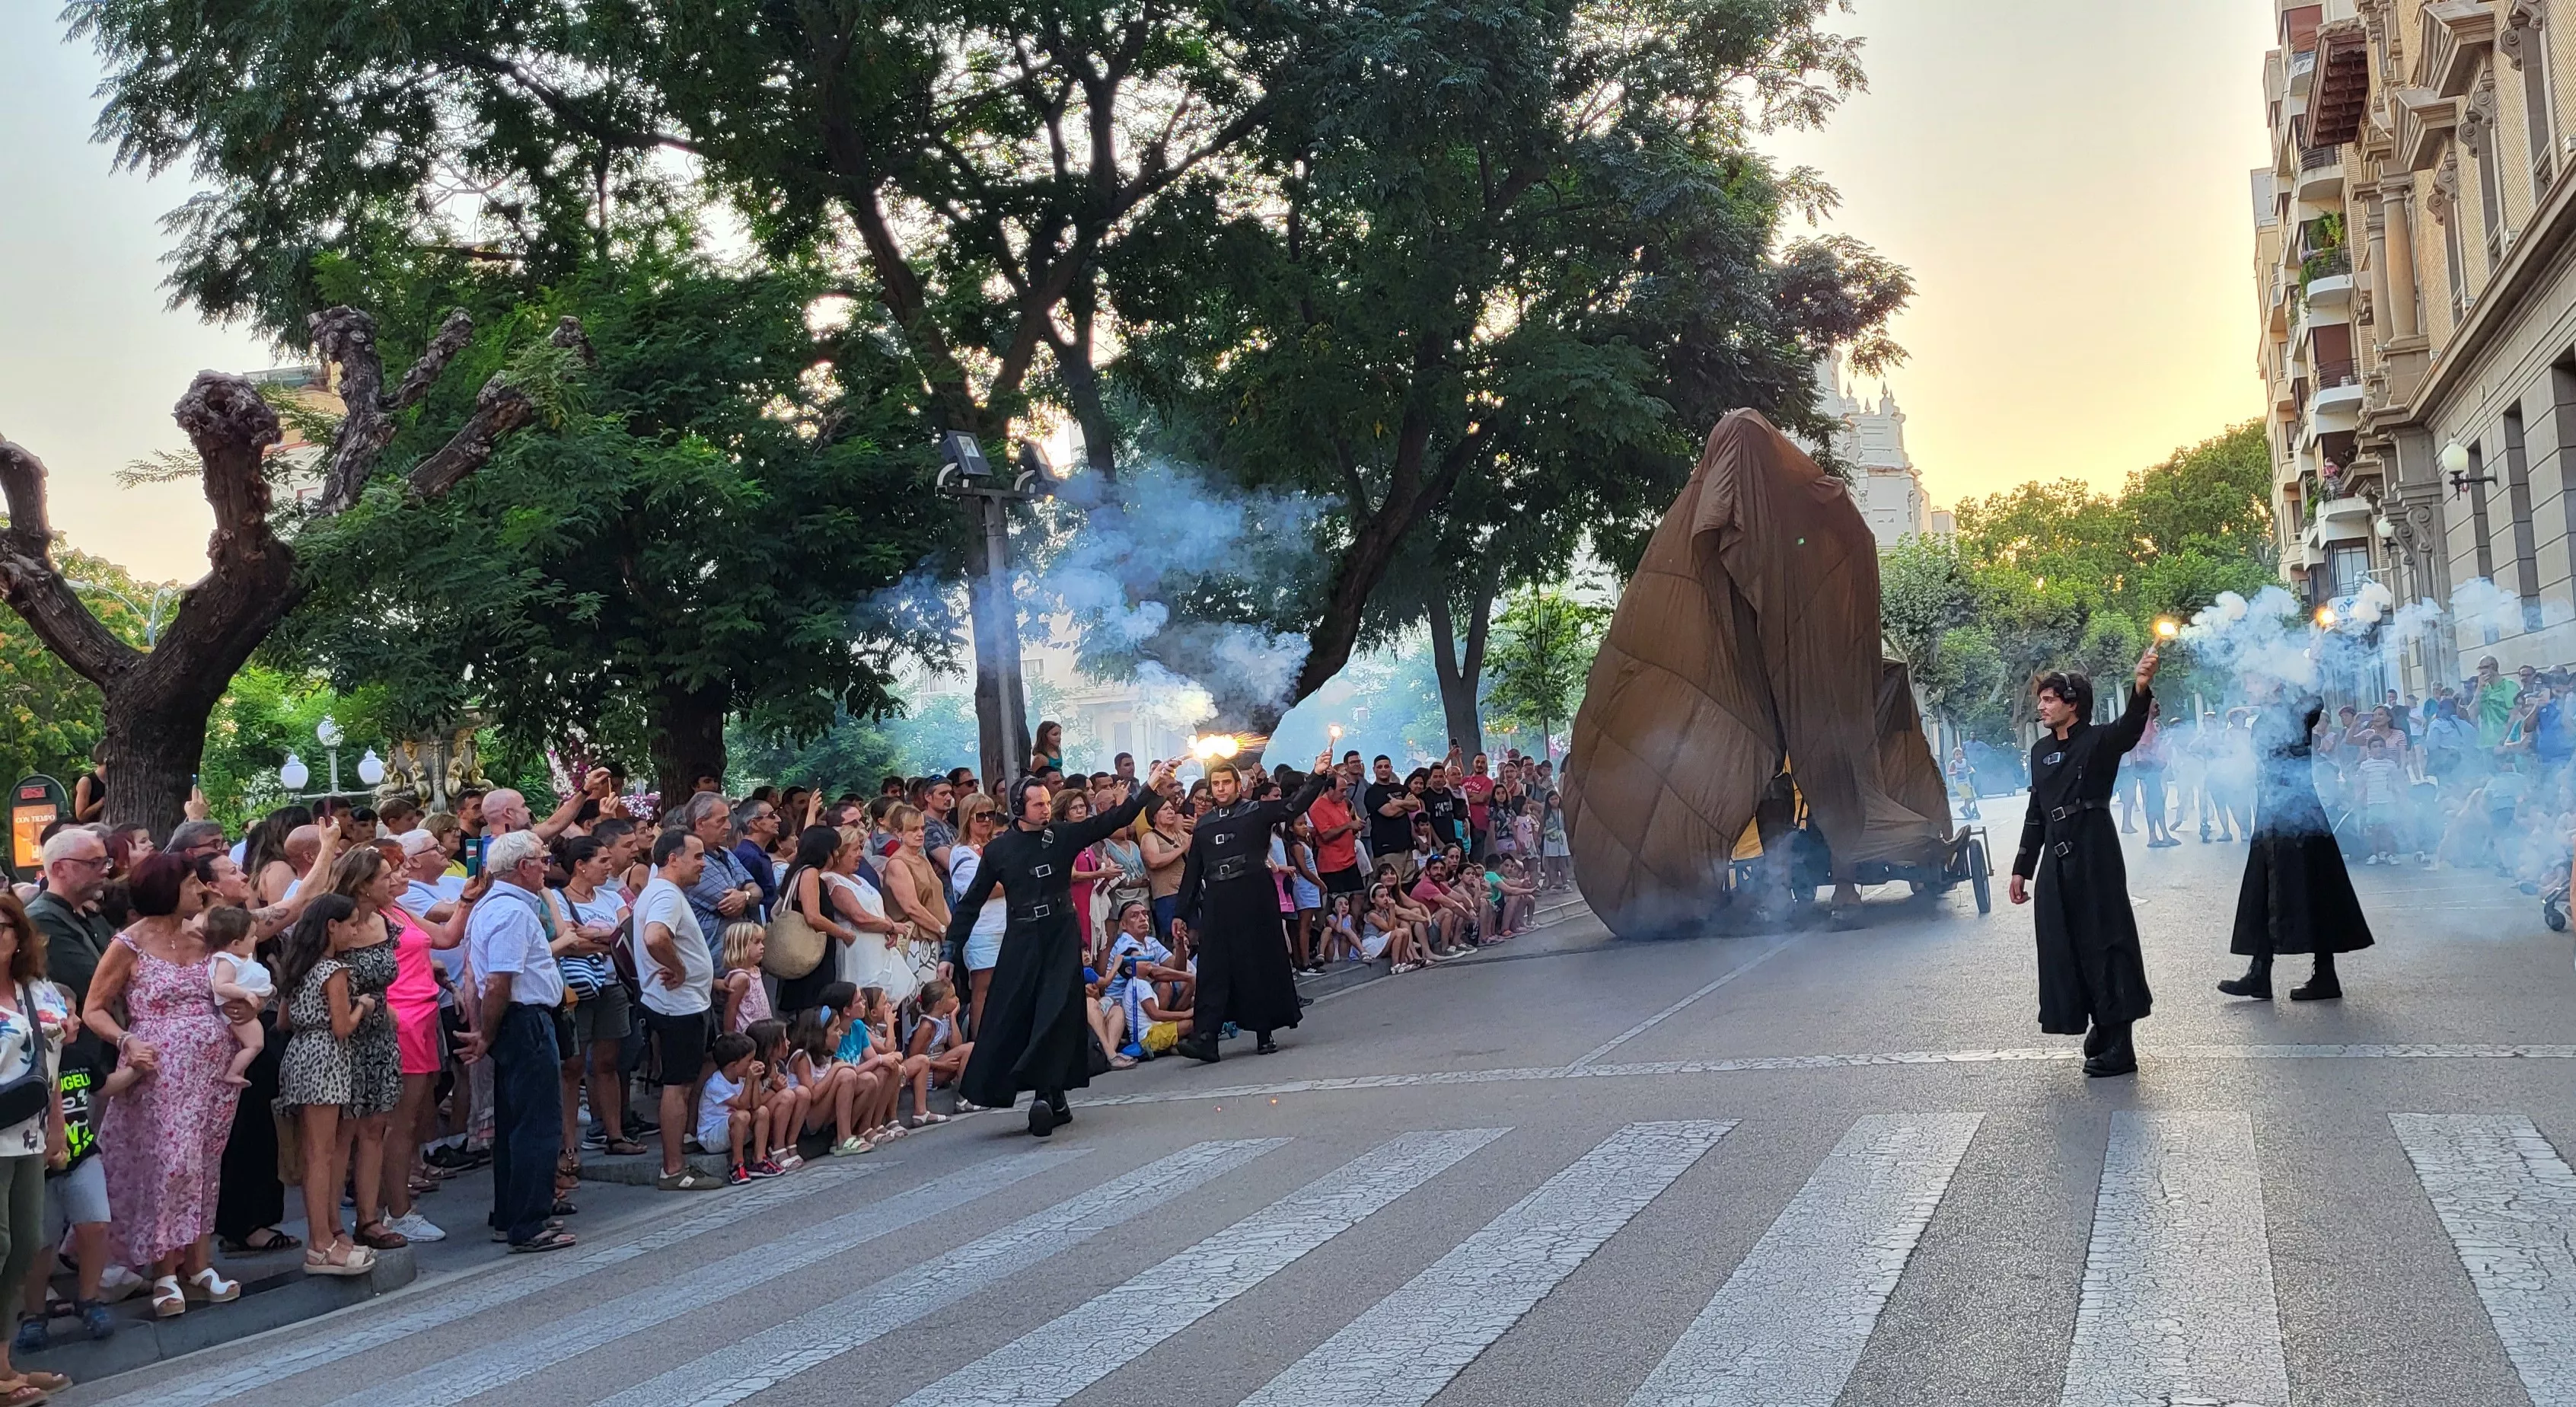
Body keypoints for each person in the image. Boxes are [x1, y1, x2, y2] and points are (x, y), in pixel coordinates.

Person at [946, 763, 1172, 1137]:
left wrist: (1148, 787)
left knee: (1057, 1011)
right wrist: (948, 952)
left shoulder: (1062, 836)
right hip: (1021, 937)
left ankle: (1047, 1093)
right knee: (1018, 1014)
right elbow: (970, 903)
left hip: (1061, 935)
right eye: (1036, 804)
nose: (1045, 809)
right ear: (1020, 807)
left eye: (1048, 802)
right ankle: (1044, 1094)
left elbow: (1113, 818)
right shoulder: (999, 850)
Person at [82, 853, 245, 1316]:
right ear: (166, 889)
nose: (201, 890)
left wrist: (242, 1013)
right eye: (193, 883)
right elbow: (94, 1008)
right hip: (161, 1071)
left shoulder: (205, 937)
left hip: (213, 1067)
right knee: (171, 1167)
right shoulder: (130, 944)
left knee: (205, 1163)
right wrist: (127, 1039)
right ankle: (164, 1271)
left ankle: (198, 1262)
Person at [2006, 646, 2161, 1080]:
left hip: (2094, 850)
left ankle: (2120, 1040)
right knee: (2064, 945)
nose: (2041, 705)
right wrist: (2023, 866)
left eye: (2050, 699)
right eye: (2042, 699)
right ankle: (2094, 1021)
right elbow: (2036, 810)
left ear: (2072, 705)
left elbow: (2132, 727)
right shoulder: (2039, 753)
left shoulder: (2099, 741)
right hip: (2056, 858)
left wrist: (2141, 687)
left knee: (2105, 943)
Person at [1169, 755, 1333, 1063]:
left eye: (1225, 783)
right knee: (1213, 968)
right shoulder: (1203, 826)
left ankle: (1264, 1032)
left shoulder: (1256, 811)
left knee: (1259, 963)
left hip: (1254, 894)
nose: (1220, 788)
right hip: (1218, 899)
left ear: (1237, 785)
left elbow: (1293, 805)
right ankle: (1206, 1038)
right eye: (1215, 784)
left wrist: (1317, 775)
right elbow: (1193, 873)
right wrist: (1181, 912)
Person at [2223, 684, 2376, 1002]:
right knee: (2263, 893)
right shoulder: (2265, 720)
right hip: (2272, 814)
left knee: (2315, 891)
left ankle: (2325, 975)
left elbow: (2314, 701)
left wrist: (2307, 664)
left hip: (2300, 816)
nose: (2253, 688)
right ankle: (2259, 974)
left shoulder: (2297, 712)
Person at [462, 831, 576, 1251]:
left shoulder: (495, 907)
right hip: (524, 1020)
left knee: (516, 1122)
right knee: (536, 1124)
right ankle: (529, 1221)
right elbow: (498, 981)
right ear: (524, 866)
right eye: (542, 860)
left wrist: (486, 1031)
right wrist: (487, 1033)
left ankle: (510, 1213)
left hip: (516, 1020)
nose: (548, 867)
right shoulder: (512, 912)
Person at [633, 831, 723, 1192]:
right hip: (677, 1006)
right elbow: (655, 937)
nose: (704, 863)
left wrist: (705, 978)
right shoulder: (665, 893)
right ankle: (673, 1169)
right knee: (677, 1086)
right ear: (673, 859)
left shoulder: (664, 892)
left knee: (686, 1082)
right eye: (698, 856)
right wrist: (682, 969)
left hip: (686, 1002)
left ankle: (682, 1154)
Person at [27, 831, 113, 1009]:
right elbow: (94, 982)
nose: (105, 871)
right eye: (94, 863)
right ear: (59, 869)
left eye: (106, 862)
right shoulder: (41, 919)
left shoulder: (92, 915)